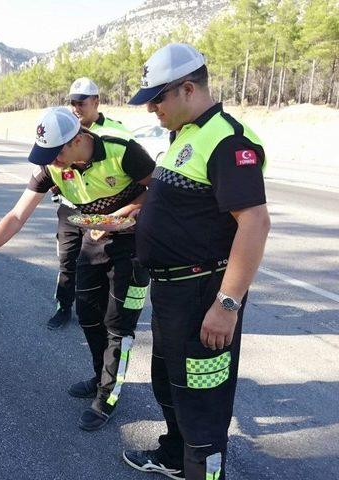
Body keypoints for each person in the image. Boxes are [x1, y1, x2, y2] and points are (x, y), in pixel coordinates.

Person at [0, 107, 155, 431]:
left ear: (77, 139)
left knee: (119, 325)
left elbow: (158, 189)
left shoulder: (123, 151)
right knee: (88, 315)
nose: (51, 161)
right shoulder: (52, 167)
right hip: (95, 238)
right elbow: (16, 216)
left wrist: (122, 215)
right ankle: (101, 375)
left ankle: (108, 395)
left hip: (134, 247)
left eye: (55, 153)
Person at [121, 43, 270, 480]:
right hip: (172, 293)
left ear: (188, 88)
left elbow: (255, 223)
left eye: (156, 98)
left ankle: (203, 471)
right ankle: (174, 454)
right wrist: (134, 220)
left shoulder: (228, 139)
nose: (150, 108)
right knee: (170, 383)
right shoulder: (185, 132)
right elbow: (184, 206)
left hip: (204, 293)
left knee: (202, 399)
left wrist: (227, 306)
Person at [47, 77, 133, 330]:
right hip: (71, 208)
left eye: (81, 102)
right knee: (67, 259)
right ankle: (64, 306)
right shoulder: (63, 132)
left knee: (100, 264)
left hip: (103, 213)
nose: (75, 107)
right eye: (72, 102)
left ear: (96, 101)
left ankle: (106, 314)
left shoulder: (117, 133)